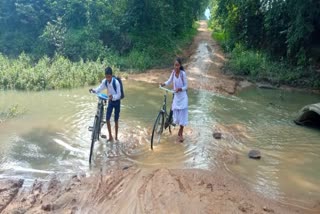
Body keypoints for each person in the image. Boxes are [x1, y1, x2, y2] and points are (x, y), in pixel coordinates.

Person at [89, 66, 121, 142]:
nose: (108, 79)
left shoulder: (116, 82)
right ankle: (110, 137)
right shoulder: (105, 82)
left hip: (117, 102)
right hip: (110, 102)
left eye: (109, 77)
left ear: (111, 75)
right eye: (106, 77)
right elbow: (99, 89)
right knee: (107, 119)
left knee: (116, 120)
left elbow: (119, 95)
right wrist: (93, 90)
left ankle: (116, 137)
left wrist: (112, 96)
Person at [160, 58, 188, 142]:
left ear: (180, 65)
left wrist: (180, 89)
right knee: (175, 113)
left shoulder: (183, 74)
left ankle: (181, 132)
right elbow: (169, 81)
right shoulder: (173, 72)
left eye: (177, 65)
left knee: (182, 115)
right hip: (176, 96)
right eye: (174, 65)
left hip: (183, 97)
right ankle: (170, 123)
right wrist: (163, 84)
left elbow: (186, 86)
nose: (176, 67)